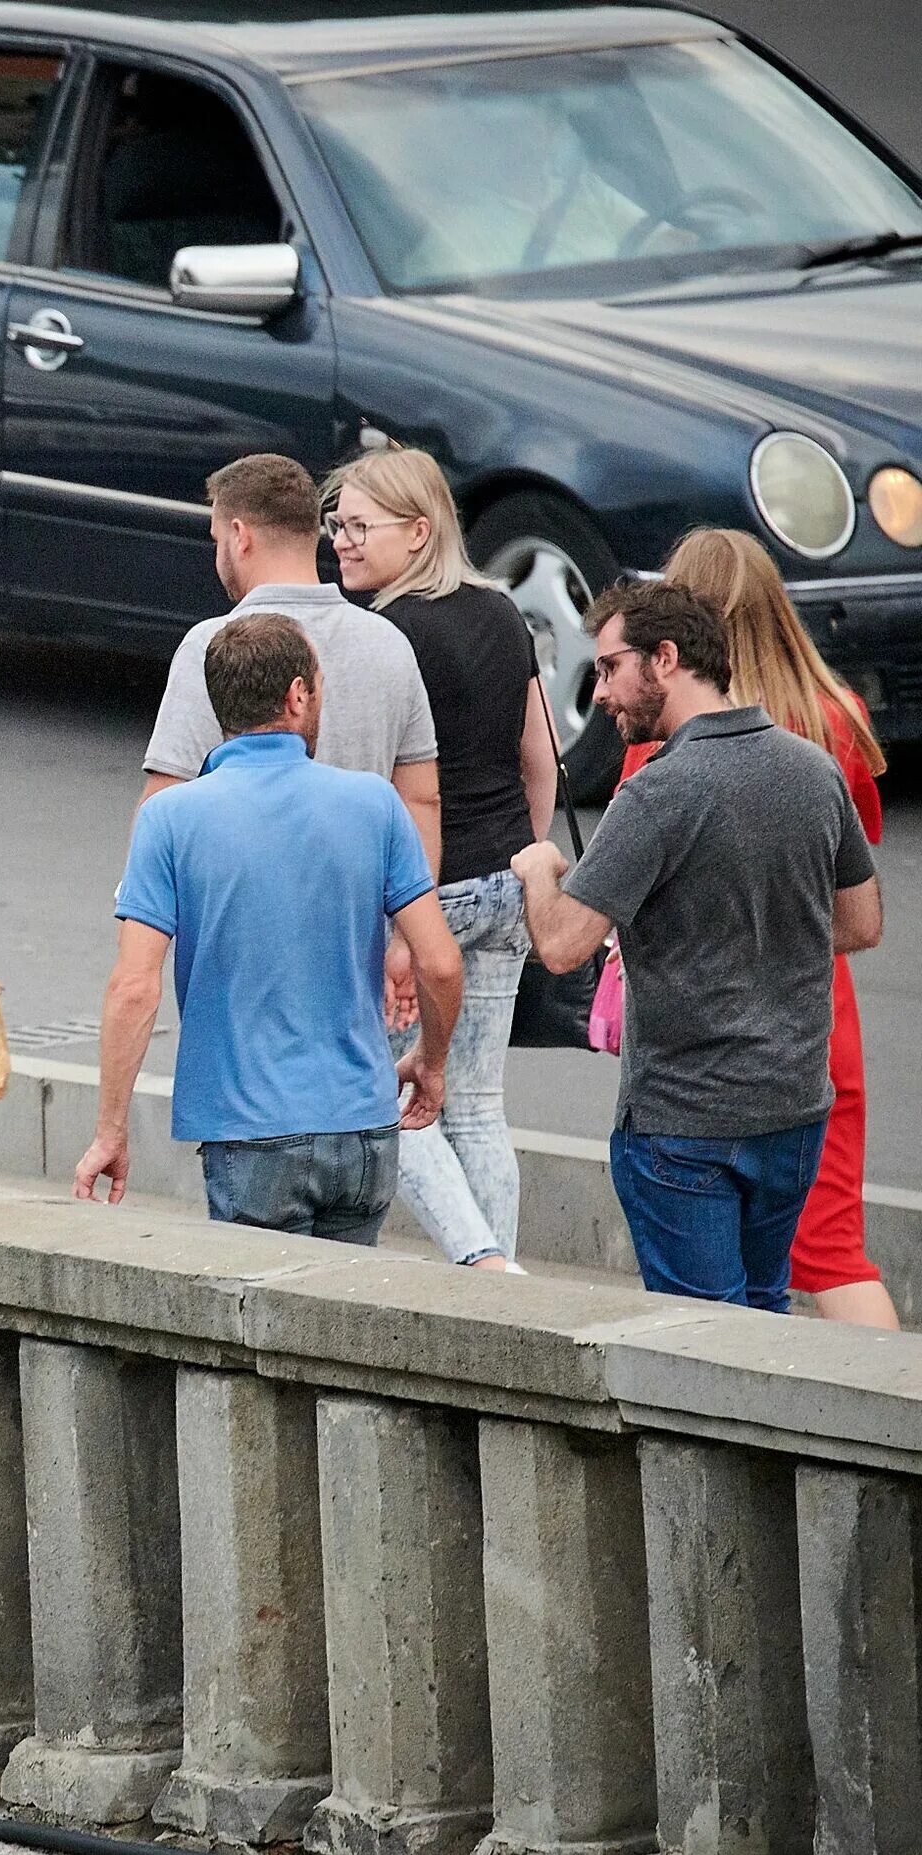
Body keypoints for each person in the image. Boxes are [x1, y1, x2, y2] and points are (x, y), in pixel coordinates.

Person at [512, 582, 882, 1313]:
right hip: (794, 1111)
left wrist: (539, 870)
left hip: (682, 1125)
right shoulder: (813, 769)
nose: (602, 692)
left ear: (666, 659)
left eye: (611, 667)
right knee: (762, 1318)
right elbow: (861, 923)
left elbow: (561, 946)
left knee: (699, 1341)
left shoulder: (657, 792)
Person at [77, 614, 463, 1243]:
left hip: (248, 1131)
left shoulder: (169, 820)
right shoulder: (374, 803)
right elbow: (441, 963)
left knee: (257, 1333)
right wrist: (432, 1061)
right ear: (297, 695)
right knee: (340, 1329)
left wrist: (110, 1131)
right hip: (362, 1130)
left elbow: (133, 989)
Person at [626, 530, 897, 1328]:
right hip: (817, 1018)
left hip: (703, 1044)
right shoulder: (831, 716)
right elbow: (856, 881)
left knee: (716, 1282)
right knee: (832, 1255)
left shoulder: (665, 743)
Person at [325, 445, 560, 1273]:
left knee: (387, 1092)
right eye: (337, 523)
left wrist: (399, 917)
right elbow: (542, 758)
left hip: (429, 896)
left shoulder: (386, 634)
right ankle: (503, 1284)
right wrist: (525, 859)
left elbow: (380, 782)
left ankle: (481, 1260)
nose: (342, 540)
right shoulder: (502, 613)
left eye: (359, 525)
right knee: (478, 1102)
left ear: (419, 531)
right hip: (506, 886)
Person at [140, 453, 442, 871]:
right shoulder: (389, 643)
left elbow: (165, 801)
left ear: (239, 536)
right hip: (359, 923)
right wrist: (406, 931)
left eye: (217, 541)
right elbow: (420, 799)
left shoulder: (210, 645)